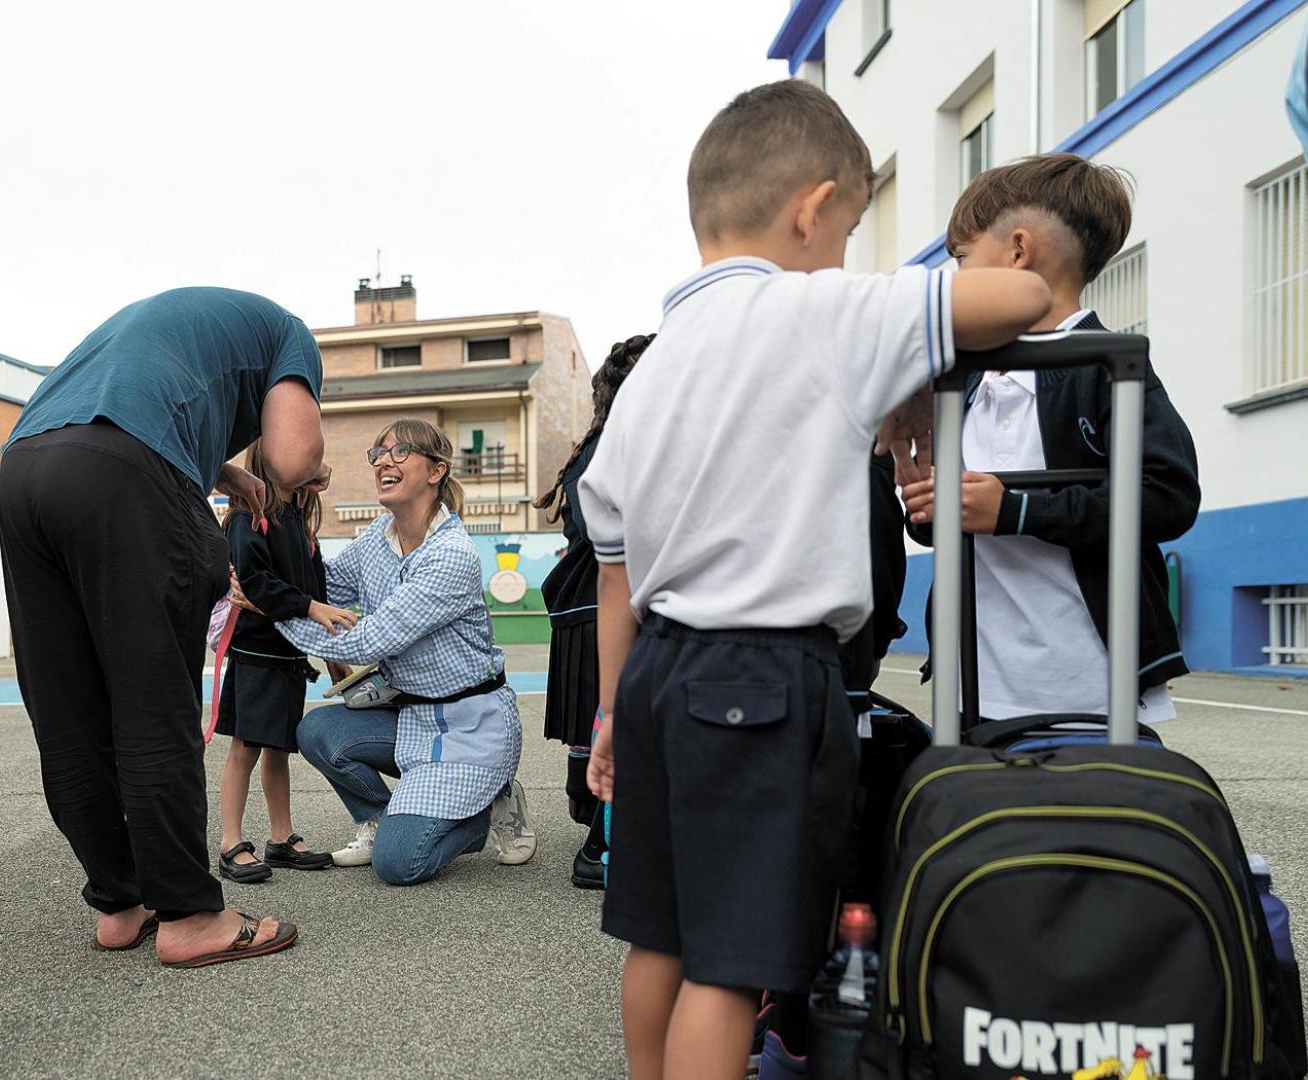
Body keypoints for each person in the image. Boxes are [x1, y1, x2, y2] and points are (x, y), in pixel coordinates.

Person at [579, 79, 1050, 1080]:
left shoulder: (655, 368)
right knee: (729, 963)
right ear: (812, 208)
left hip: (657, 677)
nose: (847, 258)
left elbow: (615, 575)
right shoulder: (822, 309)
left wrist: (611, 718)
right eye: (849, 231)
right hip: (759, 677)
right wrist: (914, 366)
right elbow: (1024, 295)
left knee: (658, 938)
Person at [0, 286, 323, 968]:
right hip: (122, 474)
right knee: (153, 707)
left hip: (26, 466)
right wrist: (310, 463)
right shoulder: (291, 333)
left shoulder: (188, 322)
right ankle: (192, 915)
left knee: (67, 710)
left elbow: (122, 414)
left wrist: (221, 471)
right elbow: (293, 460)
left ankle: (121, 903)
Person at [900, 153, 1200, 725]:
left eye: (962, 258)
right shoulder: (962, 384)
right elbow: (963, 521)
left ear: (1017, 251)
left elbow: (1169, 496)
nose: (954, 278)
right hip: (976, 682)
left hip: (1089, 685)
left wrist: (1014, 509)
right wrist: (930, 506)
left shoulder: (1111, 371)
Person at [282, 419, 536, 887]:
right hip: (411, 716)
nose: (383, 461)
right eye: (377, 453)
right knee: (317, 729)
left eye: (399, 452)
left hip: (471, 727)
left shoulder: (451, 555)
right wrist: (293, 500)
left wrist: (276, 612)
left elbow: (370, 640)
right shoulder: (376, 538)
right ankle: (385, 819)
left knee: (400, 865)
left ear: (436, 470)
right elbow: (322, 585)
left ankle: (486, 806)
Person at [531, 334, 648, 890]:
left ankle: (603, 835)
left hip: (587, 603)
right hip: (598, 603)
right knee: (607, 722)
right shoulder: (620, 448)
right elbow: (618, 547)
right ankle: (601, 844)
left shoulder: (601, 445)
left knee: (600, 727)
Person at [213, 444, 349, 883]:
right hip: (255, 653)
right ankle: (230, 842)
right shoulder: (247, 518)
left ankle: (281, 836)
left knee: (278, 748)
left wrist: (332, 658)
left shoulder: (301, 524)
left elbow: (318, 594)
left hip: (290, 655)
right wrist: (311, 609)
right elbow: (255, 582)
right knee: (245, 746)